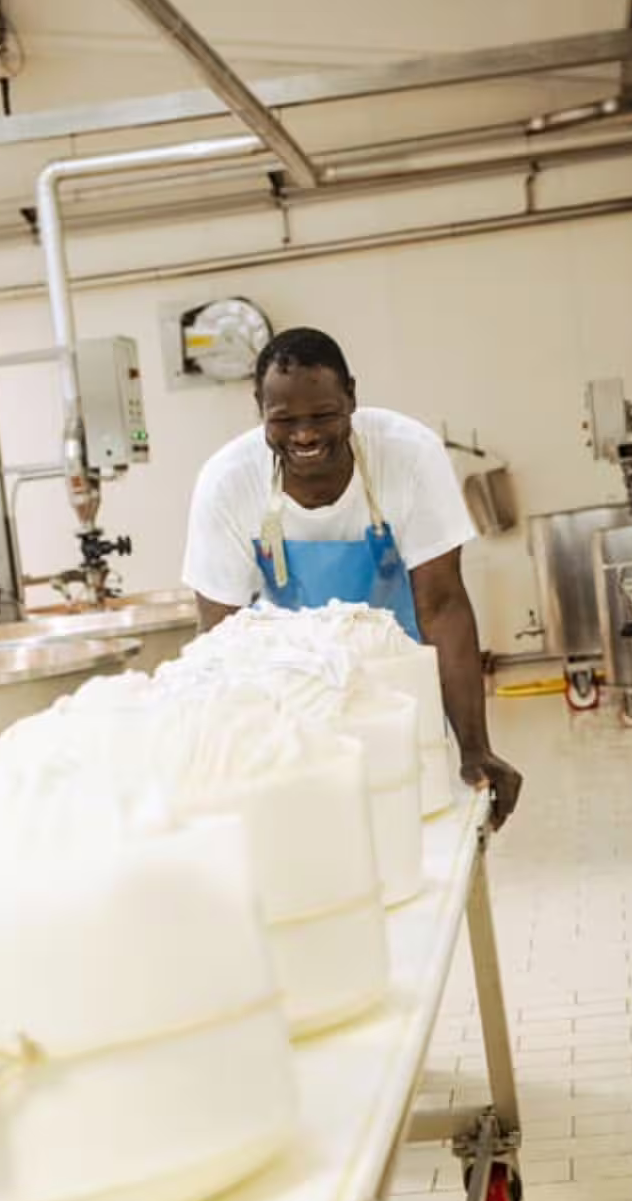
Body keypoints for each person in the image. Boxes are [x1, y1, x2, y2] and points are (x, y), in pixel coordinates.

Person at [181, 326, 522, 828]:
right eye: (284, 419)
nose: (305, 434)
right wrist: (228, 770)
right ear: (259, 408)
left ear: (352, 398)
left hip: (399, 705)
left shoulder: (408, 455)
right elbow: (220, 638)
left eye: (323, 415)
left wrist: (475, 748)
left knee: (415, 833)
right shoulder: (228, 482)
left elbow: (443, 606)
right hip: (290, 718)